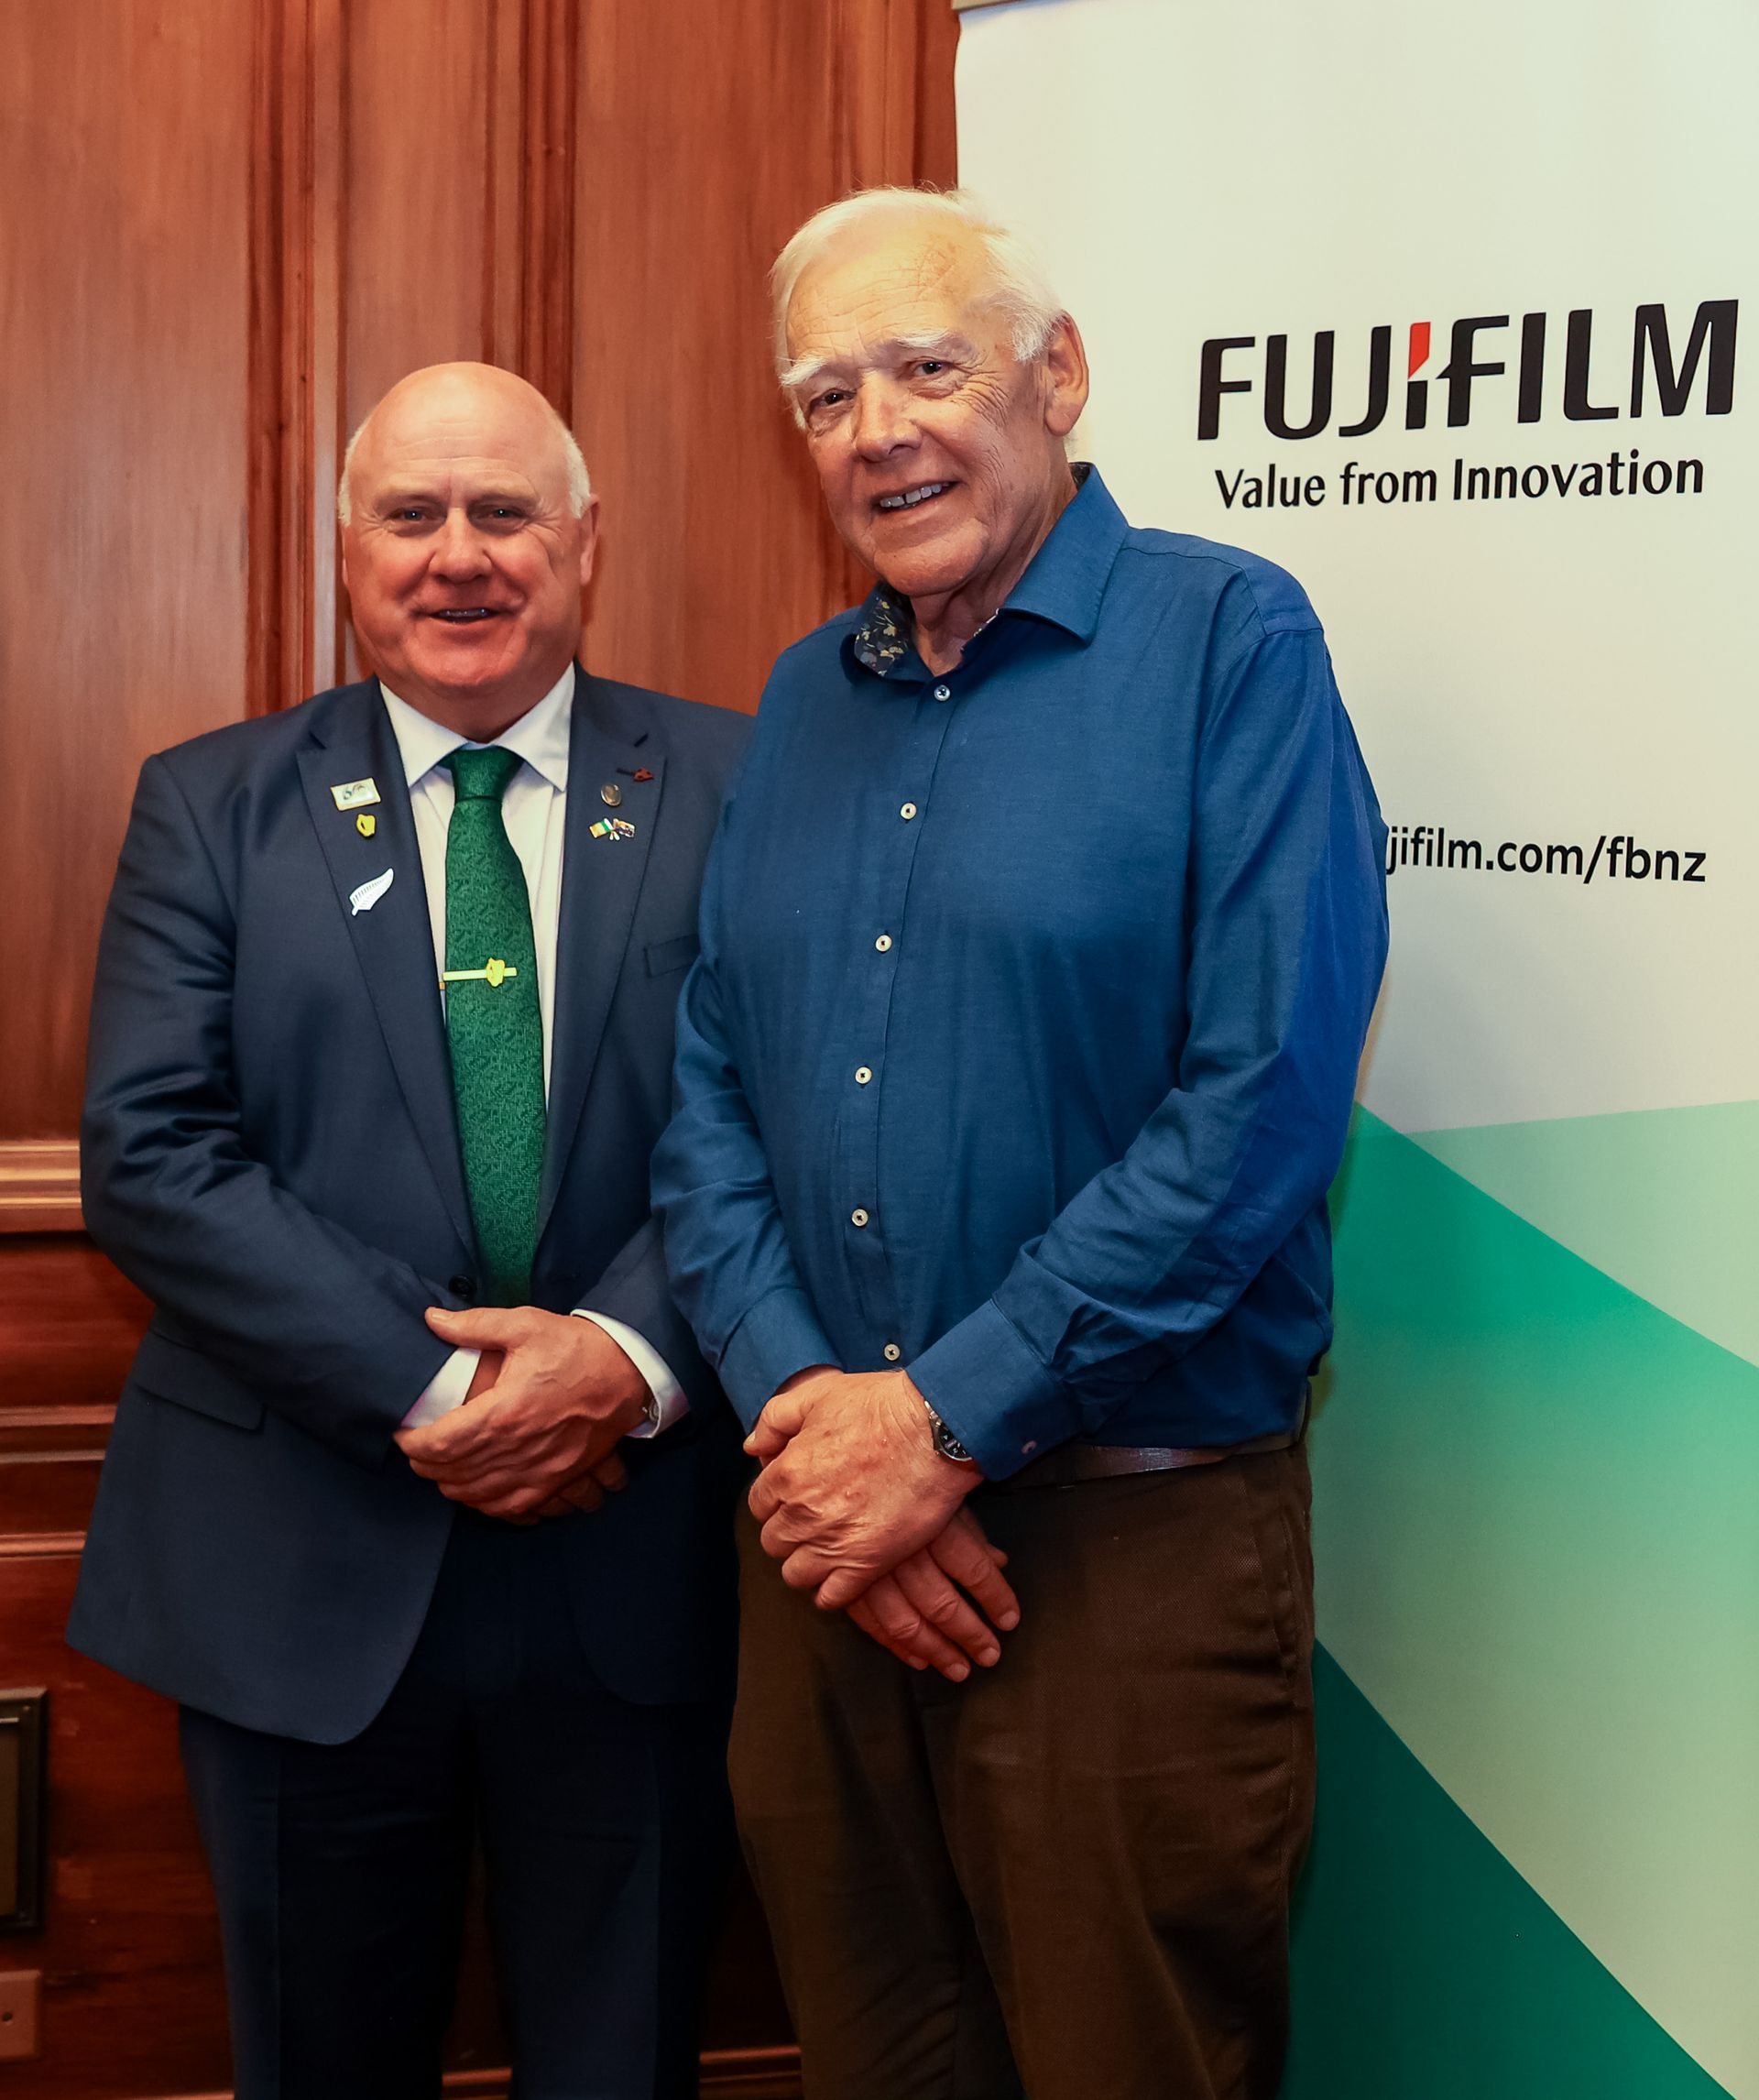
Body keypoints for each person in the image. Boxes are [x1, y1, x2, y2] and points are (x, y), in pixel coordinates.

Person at [652, 190, 1389, 2100]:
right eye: (827, 395)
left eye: (926, 367)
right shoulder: (804, 696)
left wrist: (946, 1424)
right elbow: (711, 1084)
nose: (877, 429)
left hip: (1126, 1551)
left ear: (1056, 377)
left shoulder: (1231, 642)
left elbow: (1258, 1105)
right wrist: (822, 1423)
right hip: (826, 1556)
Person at [69, 362, 749, 2100]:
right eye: (412, 515)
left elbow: (792, 1122)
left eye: (505, 512)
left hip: (637, 1563)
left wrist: (618, 1361)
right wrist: (456, 1396)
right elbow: (151, 1153)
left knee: (625, 2064)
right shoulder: (211, 804)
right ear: (347, 554)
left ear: (584, 544)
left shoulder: (738, 786)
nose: (460, 556)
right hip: (300, 1565)